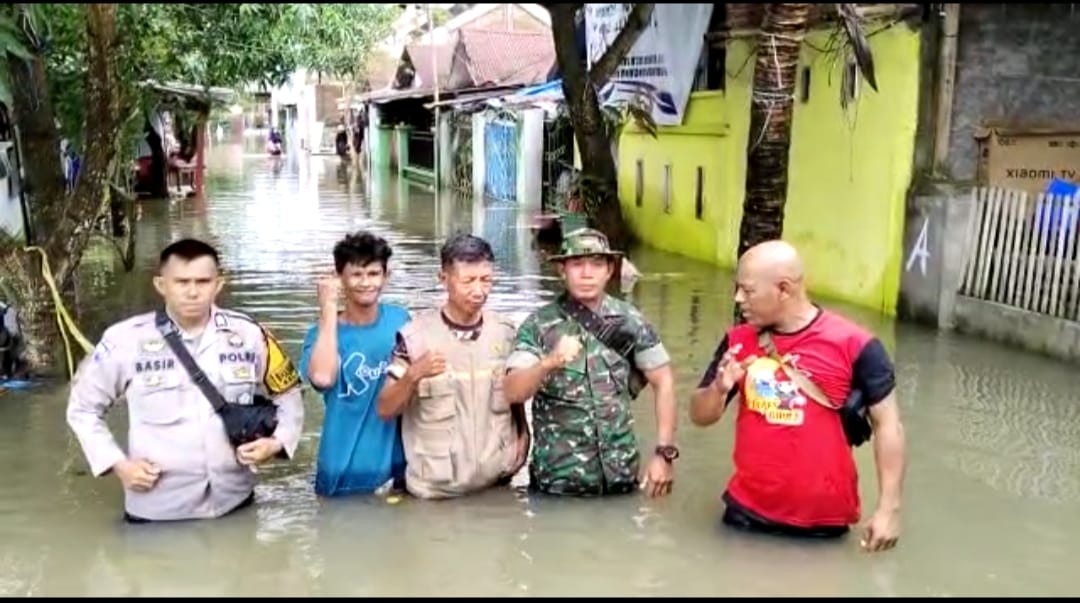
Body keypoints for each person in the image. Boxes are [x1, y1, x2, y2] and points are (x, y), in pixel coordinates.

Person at [66, 238, 305, 523]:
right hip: (158, 509)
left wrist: (276, 443)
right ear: (161, 285)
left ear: (218, 285)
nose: (193, 292)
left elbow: (289, 394)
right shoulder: (124, 340)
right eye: (181, 282)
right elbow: (83, 410)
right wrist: (120, 465)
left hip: (235, 503)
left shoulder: (250, 335)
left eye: (203, 281)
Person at [688, 240, 906, 551]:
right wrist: (719, 388)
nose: (738, 299)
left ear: (784, 289)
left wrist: (889, 509)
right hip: (746, 516)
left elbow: (889, 425)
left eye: (748, 291)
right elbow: (699, 416)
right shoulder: (738, 341)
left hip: (823, 524)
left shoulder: (856, 345)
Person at [503, 228, 678, 498]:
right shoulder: (539, 325)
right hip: (557, 486)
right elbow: (513, 391)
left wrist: (664, 453)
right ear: (562, 270)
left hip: (621, 479)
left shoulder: (631, 321)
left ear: (610, 270)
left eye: (597, 264)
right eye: (577, 264)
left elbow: (663, 380)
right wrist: (548, 363)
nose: (587, 273)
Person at [376, 234, 528, 499]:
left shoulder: (505, 333)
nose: (479, 290)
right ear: (444, 279)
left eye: (486, 280)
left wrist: (523, 441)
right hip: (435, 495)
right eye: (468, 281)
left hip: (496, 490)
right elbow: (385, 409)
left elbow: (514, 398)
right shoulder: (415, 338)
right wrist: (413, 375)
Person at [300, 232, 411, 497]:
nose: (365, 283)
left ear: (386, 276)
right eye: (356, 274)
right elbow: (323, 378)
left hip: (397, 469)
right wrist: (328, 308)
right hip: (341, 468)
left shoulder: (400, 320)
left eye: (373, 274)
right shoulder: (320, 335)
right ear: (339, 277)